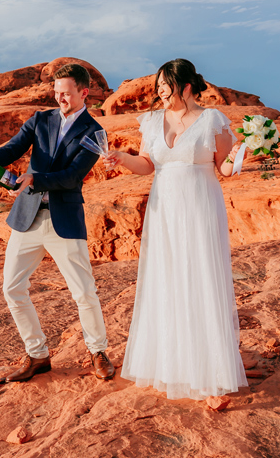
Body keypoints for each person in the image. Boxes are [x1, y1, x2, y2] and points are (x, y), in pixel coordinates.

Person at [103, 58, 249, 400]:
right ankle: (170, 365)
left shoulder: (212, 120)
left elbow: (224, 169)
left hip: (200, 208)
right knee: (166, 278)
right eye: (158, 89)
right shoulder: (152, 121)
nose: (160, 95)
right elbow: (147, 165)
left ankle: (206, 368)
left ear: (185, 87)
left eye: (165, 88)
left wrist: (246, 155)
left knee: (200, 277)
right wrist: (123, 159)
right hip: (163, 209)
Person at [0, 63, 115, 382]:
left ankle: (98, 351)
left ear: (83, 92)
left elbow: (74, 176)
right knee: (12, 288)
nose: (58, 97)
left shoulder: (95, 132)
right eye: (56, 92)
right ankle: (37, 355)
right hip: (27, 217)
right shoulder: (40, 119)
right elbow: (11, 149)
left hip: (64, 220)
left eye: (65, 93)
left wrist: (35, 178)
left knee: (83, 291)